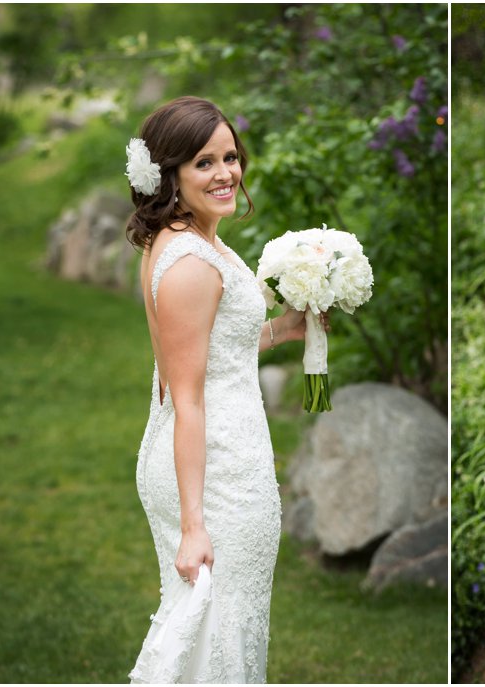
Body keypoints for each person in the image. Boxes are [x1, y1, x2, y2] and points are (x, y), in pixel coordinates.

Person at [124, 96, 325, 683]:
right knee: (216, 629)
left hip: (224, 460)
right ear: (171, 175)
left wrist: (284, 329)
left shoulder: (194, 240)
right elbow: (184, 394)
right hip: (213, 476)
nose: (225, 174)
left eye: (230, 157)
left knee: (222, 625)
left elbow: (213, 352)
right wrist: (194, 525)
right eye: (204, 163)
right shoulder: (190, 261)